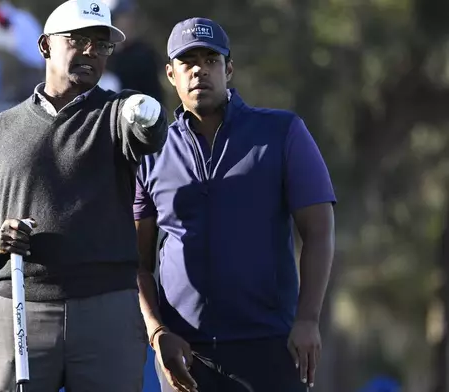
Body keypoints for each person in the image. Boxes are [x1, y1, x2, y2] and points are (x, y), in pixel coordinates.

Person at [0, 1, 168, 391]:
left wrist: (145, 111)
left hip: (108, 312)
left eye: (101, 46)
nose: (90, 53)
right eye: (79, 41)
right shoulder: (0, 130)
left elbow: (147, 131)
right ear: (45, 46)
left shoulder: (118, 113)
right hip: (21, 307)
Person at [134, 17, 337, 392]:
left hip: (271, 346)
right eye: (187, 61)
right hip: (187, 355)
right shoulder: (151, 150)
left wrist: (308, 319)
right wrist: (157, 332)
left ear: (228, 68)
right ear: (171, 74)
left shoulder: (281, 133)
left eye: (210, 60)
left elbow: (319, 231)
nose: (199, 70)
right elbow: (138, 261)